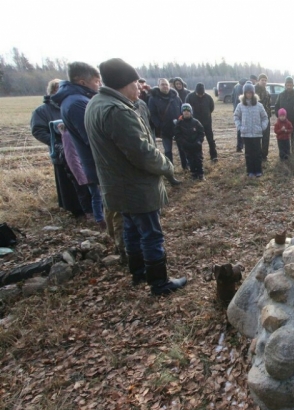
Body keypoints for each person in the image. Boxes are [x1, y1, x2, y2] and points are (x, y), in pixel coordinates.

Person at [85, 58, 186, 296]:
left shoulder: (96, 103)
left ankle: (139, 272)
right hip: (135, 187)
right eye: (134, 83)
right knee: (151, 233)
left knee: (130, 229)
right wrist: (167, 166)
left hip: (116, 186)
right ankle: (159, 282)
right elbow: (142, 153)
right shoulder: (117, 111)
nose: (139, 88)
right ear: (122, 83)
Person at [51, 62, 106, 229]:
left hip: (94, 162)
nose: (99, 85)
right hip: (97, 163)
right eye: (97, 81)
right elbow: (93, 138)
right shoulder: (77, 103)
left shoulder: (75, 100)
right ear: (82, 82)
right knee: (102, 198)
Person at [30, 79, 90, 218]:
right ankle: (75, 210)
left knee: (85, 181)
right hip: (61, 153)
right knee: (68, 185)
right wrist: (57, 143)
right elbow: (38, 130)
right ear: (52, 92)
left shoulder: (70, 106)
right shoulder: (42, 111)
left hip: (80, 151)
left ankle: (91, 209)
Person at [148, 78, 188, 173]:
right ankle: (170, 170)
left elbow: (181, 110)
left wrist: (181, 122)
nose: (165, 86)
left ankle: (185, 166)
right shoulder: (153, 99)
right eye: (162, 84)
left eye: (166, 84)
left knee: (182, 148)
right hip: (164, 129)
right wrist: (159, 125)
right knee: (168, 150)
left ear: (169, 86)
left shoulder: (175, 97)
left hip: (177, 128)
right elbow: (152, 114)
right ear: (158, 86)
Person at [234, 82, 269, 177]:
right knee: (248, 154)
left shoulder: (259, 105)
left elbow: (265, 117)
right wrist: (240, 127)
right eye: (247, 93)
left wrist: (262, 127)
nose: (249, 94)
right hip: (246, 134)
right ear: (244, 93)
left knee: (257, 153)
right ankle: (250, 171)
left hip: (257, 134)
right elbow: (236, 117)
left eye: (250, 92)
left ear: (253, 93)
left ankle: (258, 171)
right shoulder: (240, 106)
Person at [186, 83, 217, 162]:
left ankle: (214, 156)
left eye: (202, 94)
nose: (200, 96)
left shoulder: (208, 97)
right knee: (196, 140)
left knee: (211, 140)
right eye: (198, 94)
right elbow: (187, 109)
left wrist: (206, 115)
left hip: (207, 122)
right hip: (194, 123)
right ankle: (198, 156)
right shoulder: (190, 97)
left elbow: (211, 108)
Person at [174, 104, 206, 180]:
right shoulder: (179, 124)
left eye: (188, 111)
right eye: (184, 111)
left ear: (191, 112)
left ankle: (200, 173)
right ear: (182, 112)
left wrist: (198, 141)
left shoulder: (196, 122)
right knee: (190, 160)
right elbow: (177, 135)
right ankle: (193, 174)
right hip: (186, 146)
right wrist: (184, 143)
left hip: (196, 145)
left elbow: (201, 133)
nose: (186, 112)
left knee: (198, 159)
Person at [274, 76, 294, 157]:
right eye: (287, 84)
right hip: (282, 122)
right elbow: (276, 106)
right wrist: (279, 117)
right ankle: (284, 155)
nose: (289, 86)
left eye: (290, 84)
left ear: (293, 85)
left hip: (293, 121)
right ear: (285, 85)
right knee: (283, 139)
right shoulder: (281, 95)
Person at [254, 73, 271, 161]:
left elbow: (268, 105)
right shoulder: (254, 91)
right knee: (256, 137)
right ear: (258, 80)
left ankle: (264, 155)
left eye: (265, 80)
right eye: (262, 80)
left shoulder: (267, 92)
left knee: (266, 137)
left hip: (266, 117)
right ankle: (257, 155)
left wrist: (269, 116)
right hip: (256, 118)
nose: (264, 82)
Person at [231, 78, 248, 152]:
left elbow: (232, 97)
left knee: (240, 128)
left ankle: (240, 146)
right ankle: (240, 146)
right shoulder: (241, 88)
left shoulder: (235, 87)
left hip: (236, 108)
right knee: (241, 128)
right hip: (241, 110)